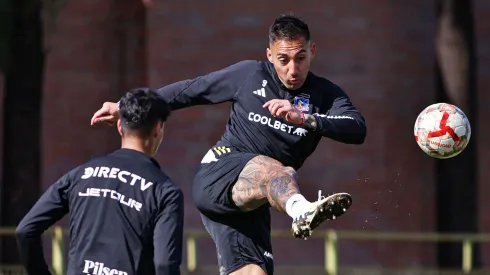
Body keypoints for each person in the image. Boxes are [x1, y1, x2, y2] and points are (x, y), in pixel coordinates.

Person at [91, 14, 366, 275]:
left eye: (300, 58)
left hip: (253, 203)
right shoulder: (249, 75)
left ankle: (298, 209)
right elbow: (190, 90)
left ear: (312, 51)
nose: (292, 69)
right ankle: (302, 210)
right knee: (279, 170)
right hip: (219, 173)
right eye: (283, 59)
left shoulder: (326, 95)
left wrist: (306, 119)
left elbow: (357, 128)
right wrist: (124, 107)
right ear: (269, 55)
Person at [16, 88, 184, 275]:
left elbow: (26, 230)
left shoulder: (81, 174)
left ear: (120, 126)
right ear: (158, 129)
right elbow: (165, 266)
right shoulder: (165, 192)